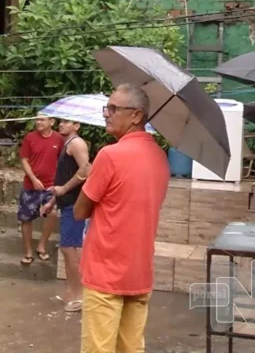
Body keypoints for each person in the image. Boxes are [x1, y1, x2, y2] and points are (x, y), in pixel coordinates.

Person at [74, 84, 169, 353]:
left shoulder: (110, 155)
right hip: (139, 272)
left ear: (136, 116)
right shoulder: (161, 157)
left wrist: (86, 176)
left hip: (106, 274)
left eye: (114, 108)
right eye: (108, 107)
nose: (106, 113)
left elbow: (80, 211)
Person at [40, 119, 90, 313]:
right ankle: (72, 291)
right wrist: (52, 201)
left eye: (66, 122)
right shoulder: (67, 144)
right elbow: (63, 177)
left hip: (75, 204)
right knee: (66, 248)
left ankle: (80, 296)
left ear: (77, 126)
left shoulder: (77, 144)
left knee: (70, 249)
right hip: (66, 203)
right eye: (60, 122)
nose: (61, 125)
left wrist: (64, 189)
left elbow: (85, 170)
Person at [18, 115, 63, 265]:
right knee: (26, 219)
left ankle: (42, 245)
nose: (38, 122)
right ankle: (28, 251)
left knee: (53, 213)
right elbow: (24, 160)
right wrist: (33, 179)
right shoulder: (30, 138)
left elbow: (62, 160)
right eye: (37, 119)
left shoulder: (59, 139)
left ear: (52, 122)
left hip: (50, 185)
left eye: (42, 119)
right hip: (30, 185)